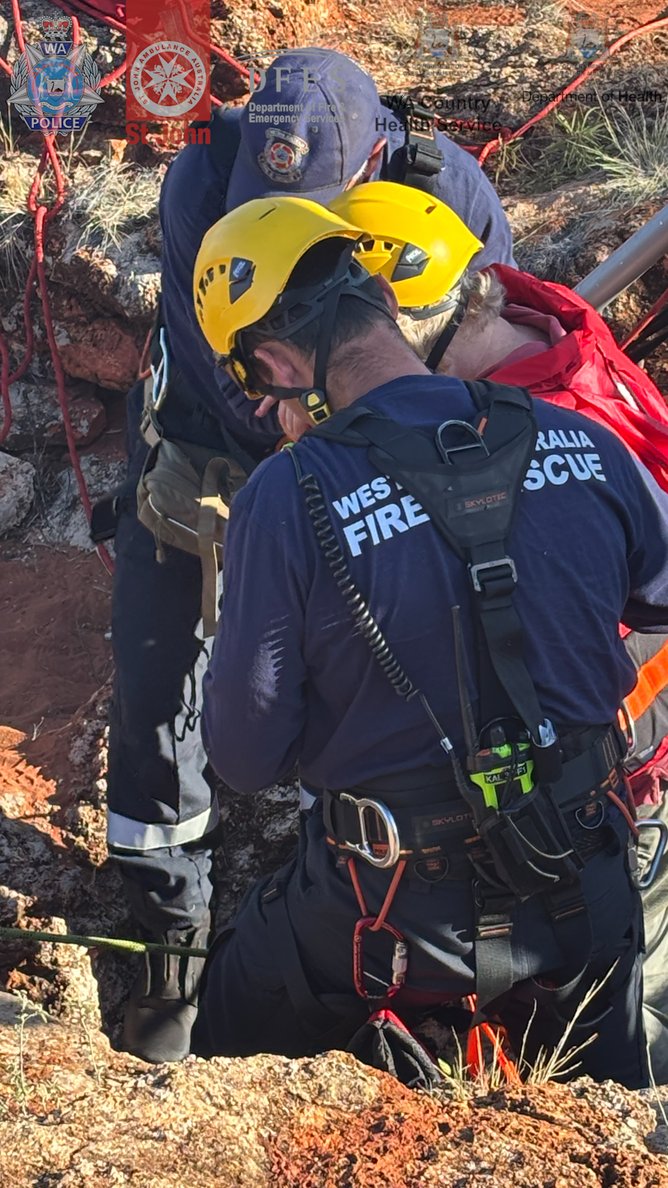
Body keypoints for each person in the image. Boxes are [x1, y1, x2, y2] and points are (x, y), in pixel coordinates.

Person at [190, 194, 668, 1088]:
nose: (271, 416)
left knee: (227, 1025)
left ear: (278, 359)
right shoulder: (575, 440)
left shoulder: (286, 498)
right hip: (587, 890)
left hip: (390, 922)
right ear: (381, 301)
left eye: (262, 393)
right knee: (619, 1121)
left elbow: (246, 758)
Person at [107, 48, 516, 1064]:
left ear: (374, 158)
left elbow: (490, 348)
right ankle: (169, 945)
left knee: (370, 676)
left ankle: (336, 901)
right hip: (223, 428)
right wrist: (288, 515)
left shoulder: (444, 191)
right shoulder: (205, 175)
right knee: (157, 674)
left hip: (381, 444)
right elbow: (236, 371)